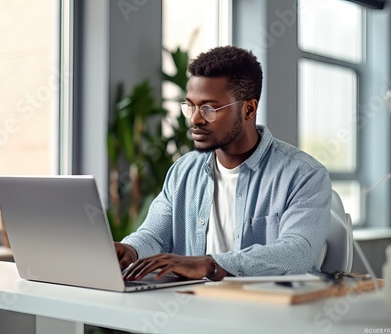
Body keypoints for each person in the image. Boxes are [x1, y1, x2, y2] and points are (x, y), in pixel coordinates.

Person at [115, 45, 331, 281]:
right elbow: (154, 236)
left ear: (248, 109)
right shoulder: (183, 171)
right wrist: (130, 250)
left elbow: (296, 255)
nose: (195, 119)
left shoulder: (303, 175)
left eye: (209, 108)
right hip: (192, 306)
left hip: (267, 311)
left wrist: (212, 265)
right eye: (191, 106)